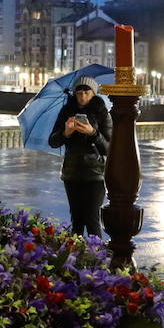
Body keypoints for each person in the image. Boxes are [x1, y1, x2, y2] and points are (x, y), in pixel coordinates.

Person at [47, 76, 112, 236]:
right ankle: (76, 257)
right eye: (79, 93)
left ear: (93, 93)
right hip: (72, 173)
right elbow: (53, 141)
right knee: (76, 220)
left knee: (92, 219)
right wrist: (66, 133)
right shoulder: (67, 111)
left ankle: (96, 257)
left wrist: (93, 133)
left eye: (86, 93)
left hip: (95, 174)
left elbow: (110, 148)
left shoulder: (102, 113)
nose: (82, 96)